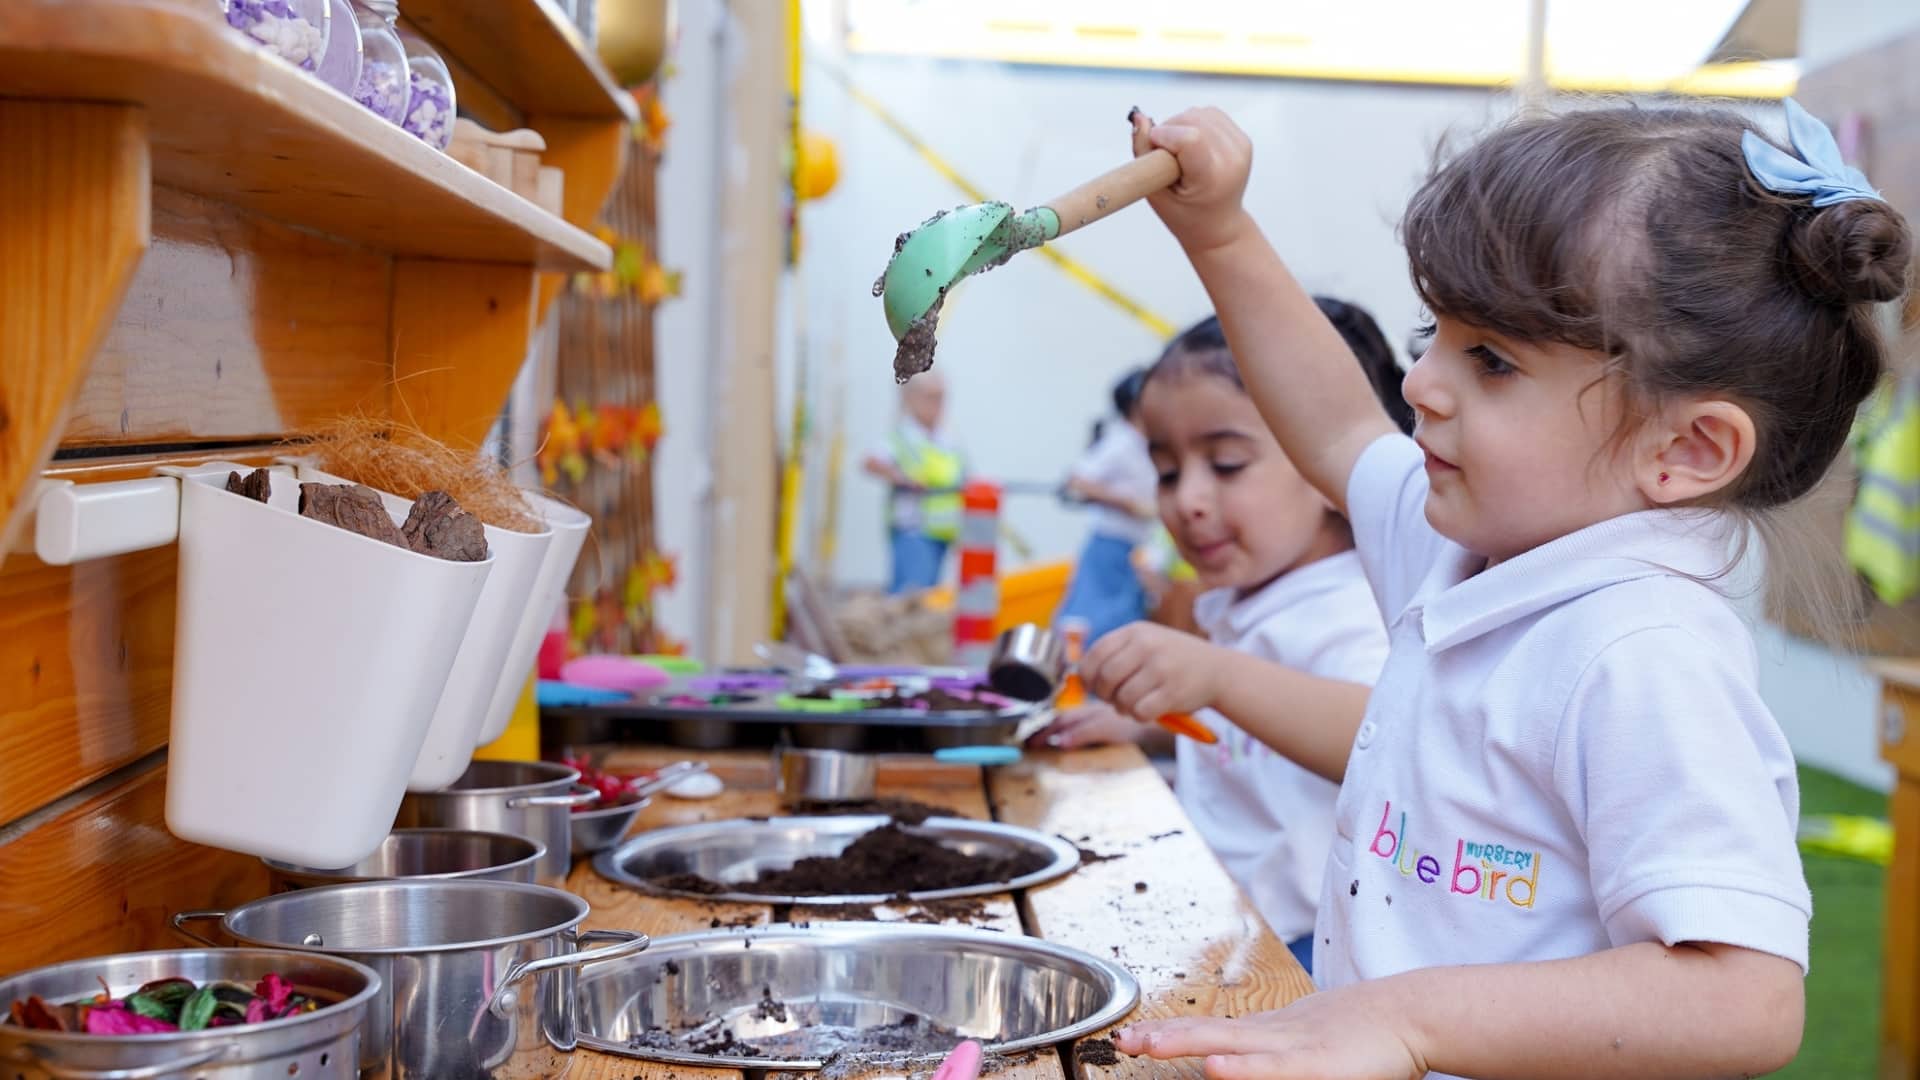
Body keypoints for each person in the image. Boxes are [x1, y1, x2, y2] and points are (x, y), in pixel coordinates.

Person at [1090, 101, 1910, 1078]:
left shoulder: (1642, 653)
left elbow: (1746, 997)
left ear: (1686, 447)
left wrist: (1408, 1021)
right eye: (1431, 332)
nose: (1423, 385)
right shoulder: (1472, 547)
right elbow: (1338, 427)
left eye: (1491, 359)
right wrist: (1218, 230)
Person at [1035, 300, 1412, 976]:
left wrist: (1219, 677)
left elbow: (1381, 740)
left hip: (1308, 956)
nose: (1188, 500)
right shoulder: (1249, 599)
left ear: (1333, 473)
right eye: (1168, 470)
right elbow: (1260, 734)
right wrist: (1152, 727)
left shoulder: (1354, 606)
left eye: (1228, 463)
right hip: (1229, 920)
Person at [1055, 367, 1158, 644]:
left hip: (1135, 547)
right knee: (1091, 618)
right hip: (1111, 542)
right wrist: (1127, 504)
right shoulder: (1121, 441)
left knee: (1122, 616)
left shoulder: (1145, 443)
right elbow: (1078, 480)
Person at [862, 370, 965, 594]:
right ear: (912, 398)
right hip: (913, 532)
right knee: (910, 597)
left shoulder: (947, 439)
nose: (937, 404)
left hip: (942, 534)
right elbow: (871, 462)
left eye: (941, 397)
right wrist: (903, 479)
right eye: (931, 397)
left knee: (929, 598)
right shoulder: (903, 436)